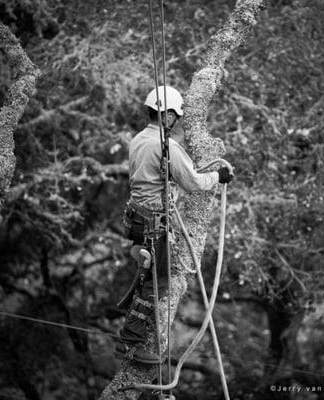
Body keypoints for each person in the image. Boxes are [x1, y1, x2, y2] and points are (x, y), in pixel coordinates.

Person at [114, 85, 233, 364]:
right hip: (154, 222)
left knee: (149, 274)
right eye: (175, 117)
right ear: (166, 115)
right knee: (158, 282)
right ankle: (129, 343)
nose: (176, 122)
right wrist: (219, 176)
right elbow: (192, 183)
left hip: (137, 217)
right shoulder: (166, 146)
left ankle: (142, 256)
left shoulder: (138, 139)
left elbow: (159, 175)